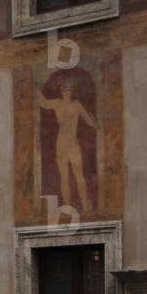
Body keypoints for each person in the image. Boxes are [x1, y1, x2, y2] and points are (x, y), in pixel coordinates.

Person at [38, 79, 97, 215]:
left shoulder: (76, 105)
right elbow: (44, 103)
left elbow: (88, 120)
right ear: (63, 91)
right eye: (66, 88)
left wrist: (96, 125)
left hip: (72, 143)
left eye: (70, 89)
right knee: (64, 176)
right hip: (63, 142)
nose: (68, 91)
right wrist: (37, 92)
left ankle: (85, 205)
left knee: (79, 175)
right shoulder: (58, 103)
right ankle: (68, 206)